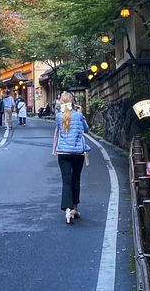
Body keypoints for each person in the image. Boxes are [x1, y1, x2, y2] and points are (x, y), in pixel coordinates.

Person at [53, 91, 89, 225]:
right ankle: (75, 208)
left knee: (66, 180)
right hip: (77, 153)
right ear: (73, 102)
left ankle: (67, 211)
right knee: (76, 179)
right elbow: (86, 130)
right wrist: (82, 114)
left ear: (61, 102)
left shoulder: (58, 116)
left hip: (63, 152)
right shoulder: (79, 116)